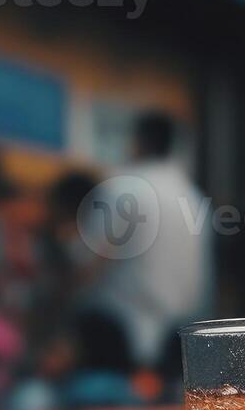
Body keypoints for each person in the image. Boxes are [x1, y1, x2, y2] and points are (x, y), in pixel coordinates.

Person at [78, 110, 212, 367]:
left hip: (115, 337)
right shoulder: (193, 198)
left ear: (138, 141)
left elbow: (92, 262)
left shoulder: (122, 186)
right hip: (174, 341)